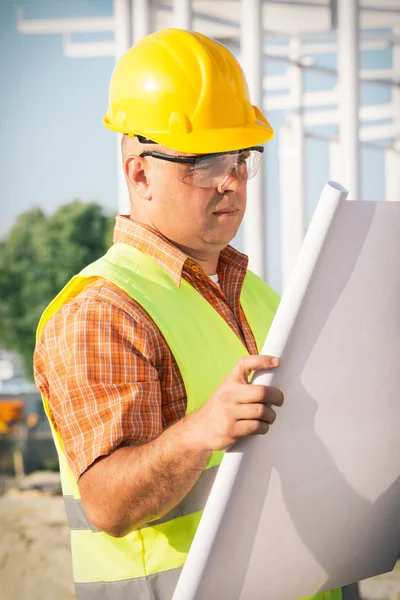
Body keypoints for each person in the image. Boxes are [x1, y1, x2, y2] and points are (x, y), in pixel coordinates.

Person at [34, 29, 341, 600]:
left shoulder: (260, 295)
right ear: (139, 173)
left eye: (240, 158)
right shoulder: (101, 312)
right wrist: (201, 432)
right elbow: (106, 502)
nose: (230, 180)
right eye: (201, 162)